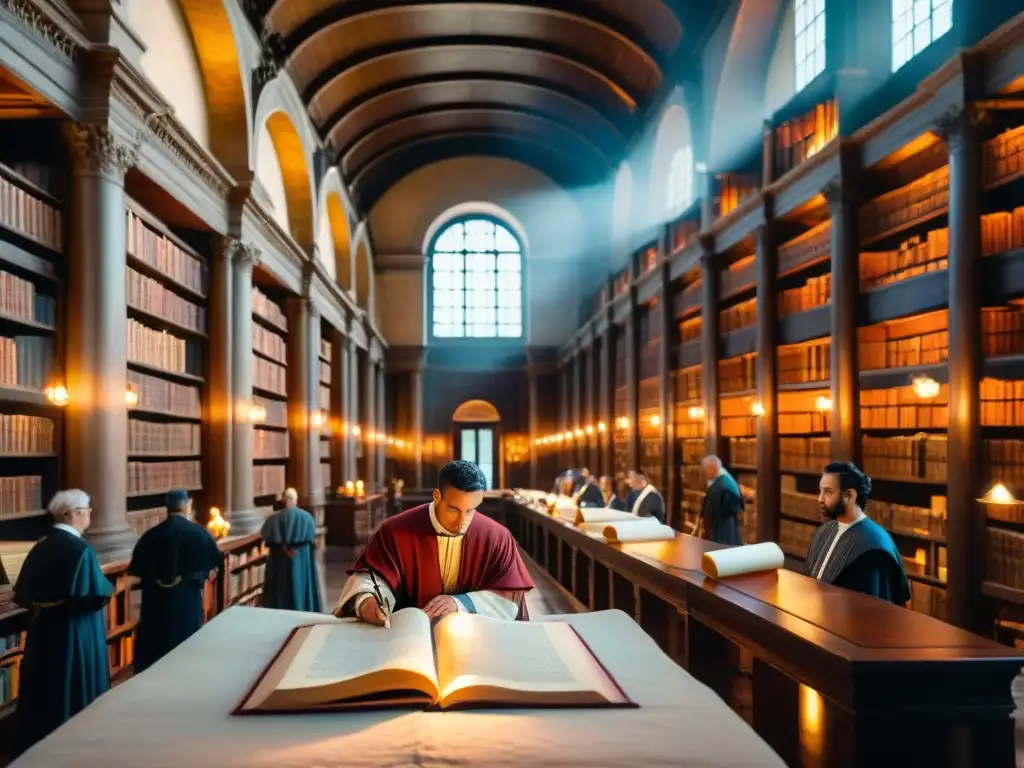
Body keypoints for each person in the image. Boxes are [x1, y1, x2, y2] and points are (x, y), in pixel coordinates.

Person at [335, 459, 534, 623]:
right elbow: (372, 577)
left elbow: (509, 597)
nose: (462, 521)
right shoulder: (396, 530)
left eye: (471, 510)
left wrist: (460, 603)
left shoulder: (498, 537)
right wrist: (368, 602)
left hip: (475, 638)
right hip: (408, 637)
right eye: (454, 509)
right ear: (437, 497)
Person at [13, 490, 113, 754]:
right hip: (74, 629)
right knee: (72, 683)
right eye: (86, 510)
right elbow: (95, 596)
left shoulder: (41, 546)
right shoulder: (80, 550)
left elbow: (23, 594)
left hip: (44, 626)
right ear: (72, 515)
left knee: (46, 685)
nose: (89, 515)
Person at [128, 489, 222, 673]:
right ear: (187, 506)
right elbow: (215, 561)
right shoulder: (199, 534)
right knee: (184, 647)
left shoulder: (150, 535)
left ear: (167, 507)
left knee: (157, 650)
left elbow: (137, 569)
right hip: (185, 600)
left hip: (156, 603)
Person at [804, 461, 911, 605]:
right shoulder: (823, 532)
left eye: (828, 492)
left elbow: (875, 609)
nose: (820, 499)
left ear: (849, 496)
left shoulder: (875, 545)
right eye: (820, 491)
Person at [261, 487, 322, 612]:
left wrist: (284, 546)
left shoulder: (272, 519)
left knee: (281, 587)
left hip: (280, 559)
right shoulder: (307, 518)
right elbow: (311, 536)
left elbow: (265, 534)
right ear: (295, 500)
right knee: (301, 585)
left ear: (284, 500)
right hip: (301, 557)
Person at [698, 455, 744, 545]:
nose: (706, 474)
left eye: (706, 470)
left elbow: (716, 508)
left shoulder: (723, 485)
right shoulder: (721, 481)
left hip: (724, 527)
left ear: (712, 468)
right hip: (722, 525)